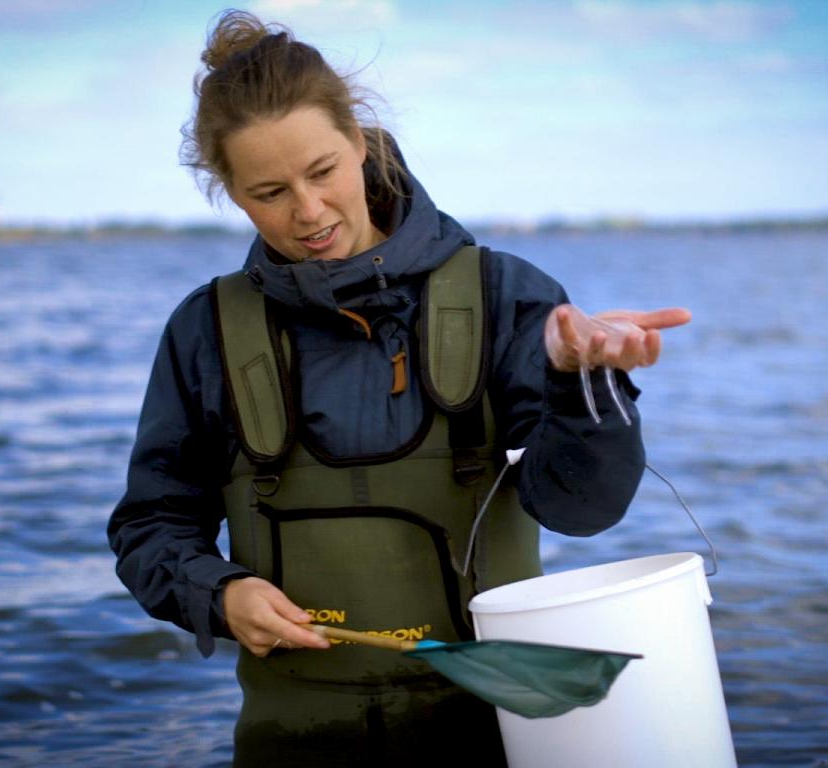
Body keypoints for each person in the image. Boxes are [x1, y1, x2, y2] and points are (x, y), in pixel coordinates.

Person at [107, 10, 691, 766]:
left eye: (322, 172)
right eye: (269, 191)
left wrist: (581, 386)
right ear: (229, 193)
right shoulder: (204, 331)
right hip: (294, 741)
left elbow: (584, 509)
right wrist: (218, 594)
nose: (308, 212)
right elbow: (151, 528)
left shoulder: (503, 294)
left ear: (361, 142)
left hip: (496, 732)